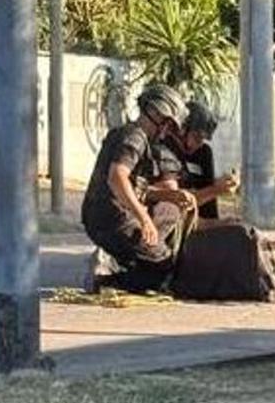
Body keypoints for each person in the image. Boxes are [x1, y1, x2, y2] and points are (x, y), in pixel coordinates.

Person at [81, 83, 198, 293]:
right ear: (153, 112)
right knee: (162, 265)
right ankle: (106, 279)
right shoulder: (134, 137)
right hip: (112, 219)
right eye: (166, 123)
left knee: (170, 211)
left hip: (106, 216)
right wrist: (144, 220)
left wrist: (171, 195)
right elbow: (117, 178)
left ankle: (122, 261)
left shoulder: (133, 136)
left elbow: (134, 187)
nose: (165, 131)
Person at [159, 99, 238, 222]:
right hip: (177, 224)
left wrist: (220, 186)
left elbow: (209, 203)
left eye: (203, 139)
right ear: (181, 130)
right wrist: (216, 189)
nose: (199, 144)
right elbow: (176, 201)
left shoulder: (203, 153)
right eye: (197, 137)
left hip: (200, 222)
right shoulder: (164, 150)